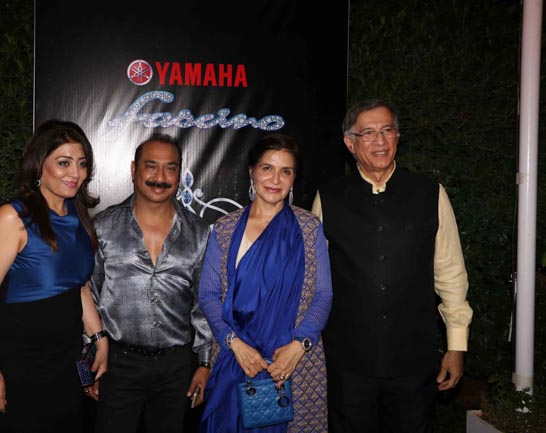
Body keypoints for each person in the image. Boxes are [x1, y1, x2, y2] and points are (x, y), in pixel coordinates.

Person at [311, 99, 474, 433]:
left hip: (414, 361)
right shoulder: (328, 198)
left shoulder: (430, 194)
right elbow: (313, 280)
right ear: (350, 143)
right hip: (348, 362)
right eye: (368, 133)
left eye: (387, 130)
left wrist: (456, 345)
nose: (380, 141)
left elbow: (451, 272)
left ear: (398, 136)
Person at [0, 119, 109, 433]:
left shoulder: (77, 215)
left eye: (82, 163)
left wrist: (99, 337)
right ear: (38, 165)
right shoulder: (13, 217)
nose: (75, 173)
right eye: (63, 163)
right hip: (22, 365)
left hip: (66, 362)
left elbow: (79, 286)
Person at [198, 133, 333, 433]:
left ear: (294, 178)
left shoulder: (309, 228)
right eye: (267, 168)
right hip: (236, 360)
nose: (275, 179)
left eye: (286, 171)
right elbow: (208, 294)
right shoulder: (225, 229)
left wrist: (300, 344)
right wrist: (234, 344)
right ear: (252, 171)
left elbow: (323, 295)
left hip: (295, 366)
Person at [87, 132, 213, 433]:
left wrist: (205, 363)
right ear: (134, 170)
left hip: (177, 368)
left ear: (179, 174)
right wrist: (90, 362)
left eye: (170, 168)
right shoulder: (103, 227)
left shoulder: (199, 232)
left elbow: (204, 302)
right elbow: (89, 296)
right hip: (117, 363)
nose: (160, 177)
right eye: (151, 166)